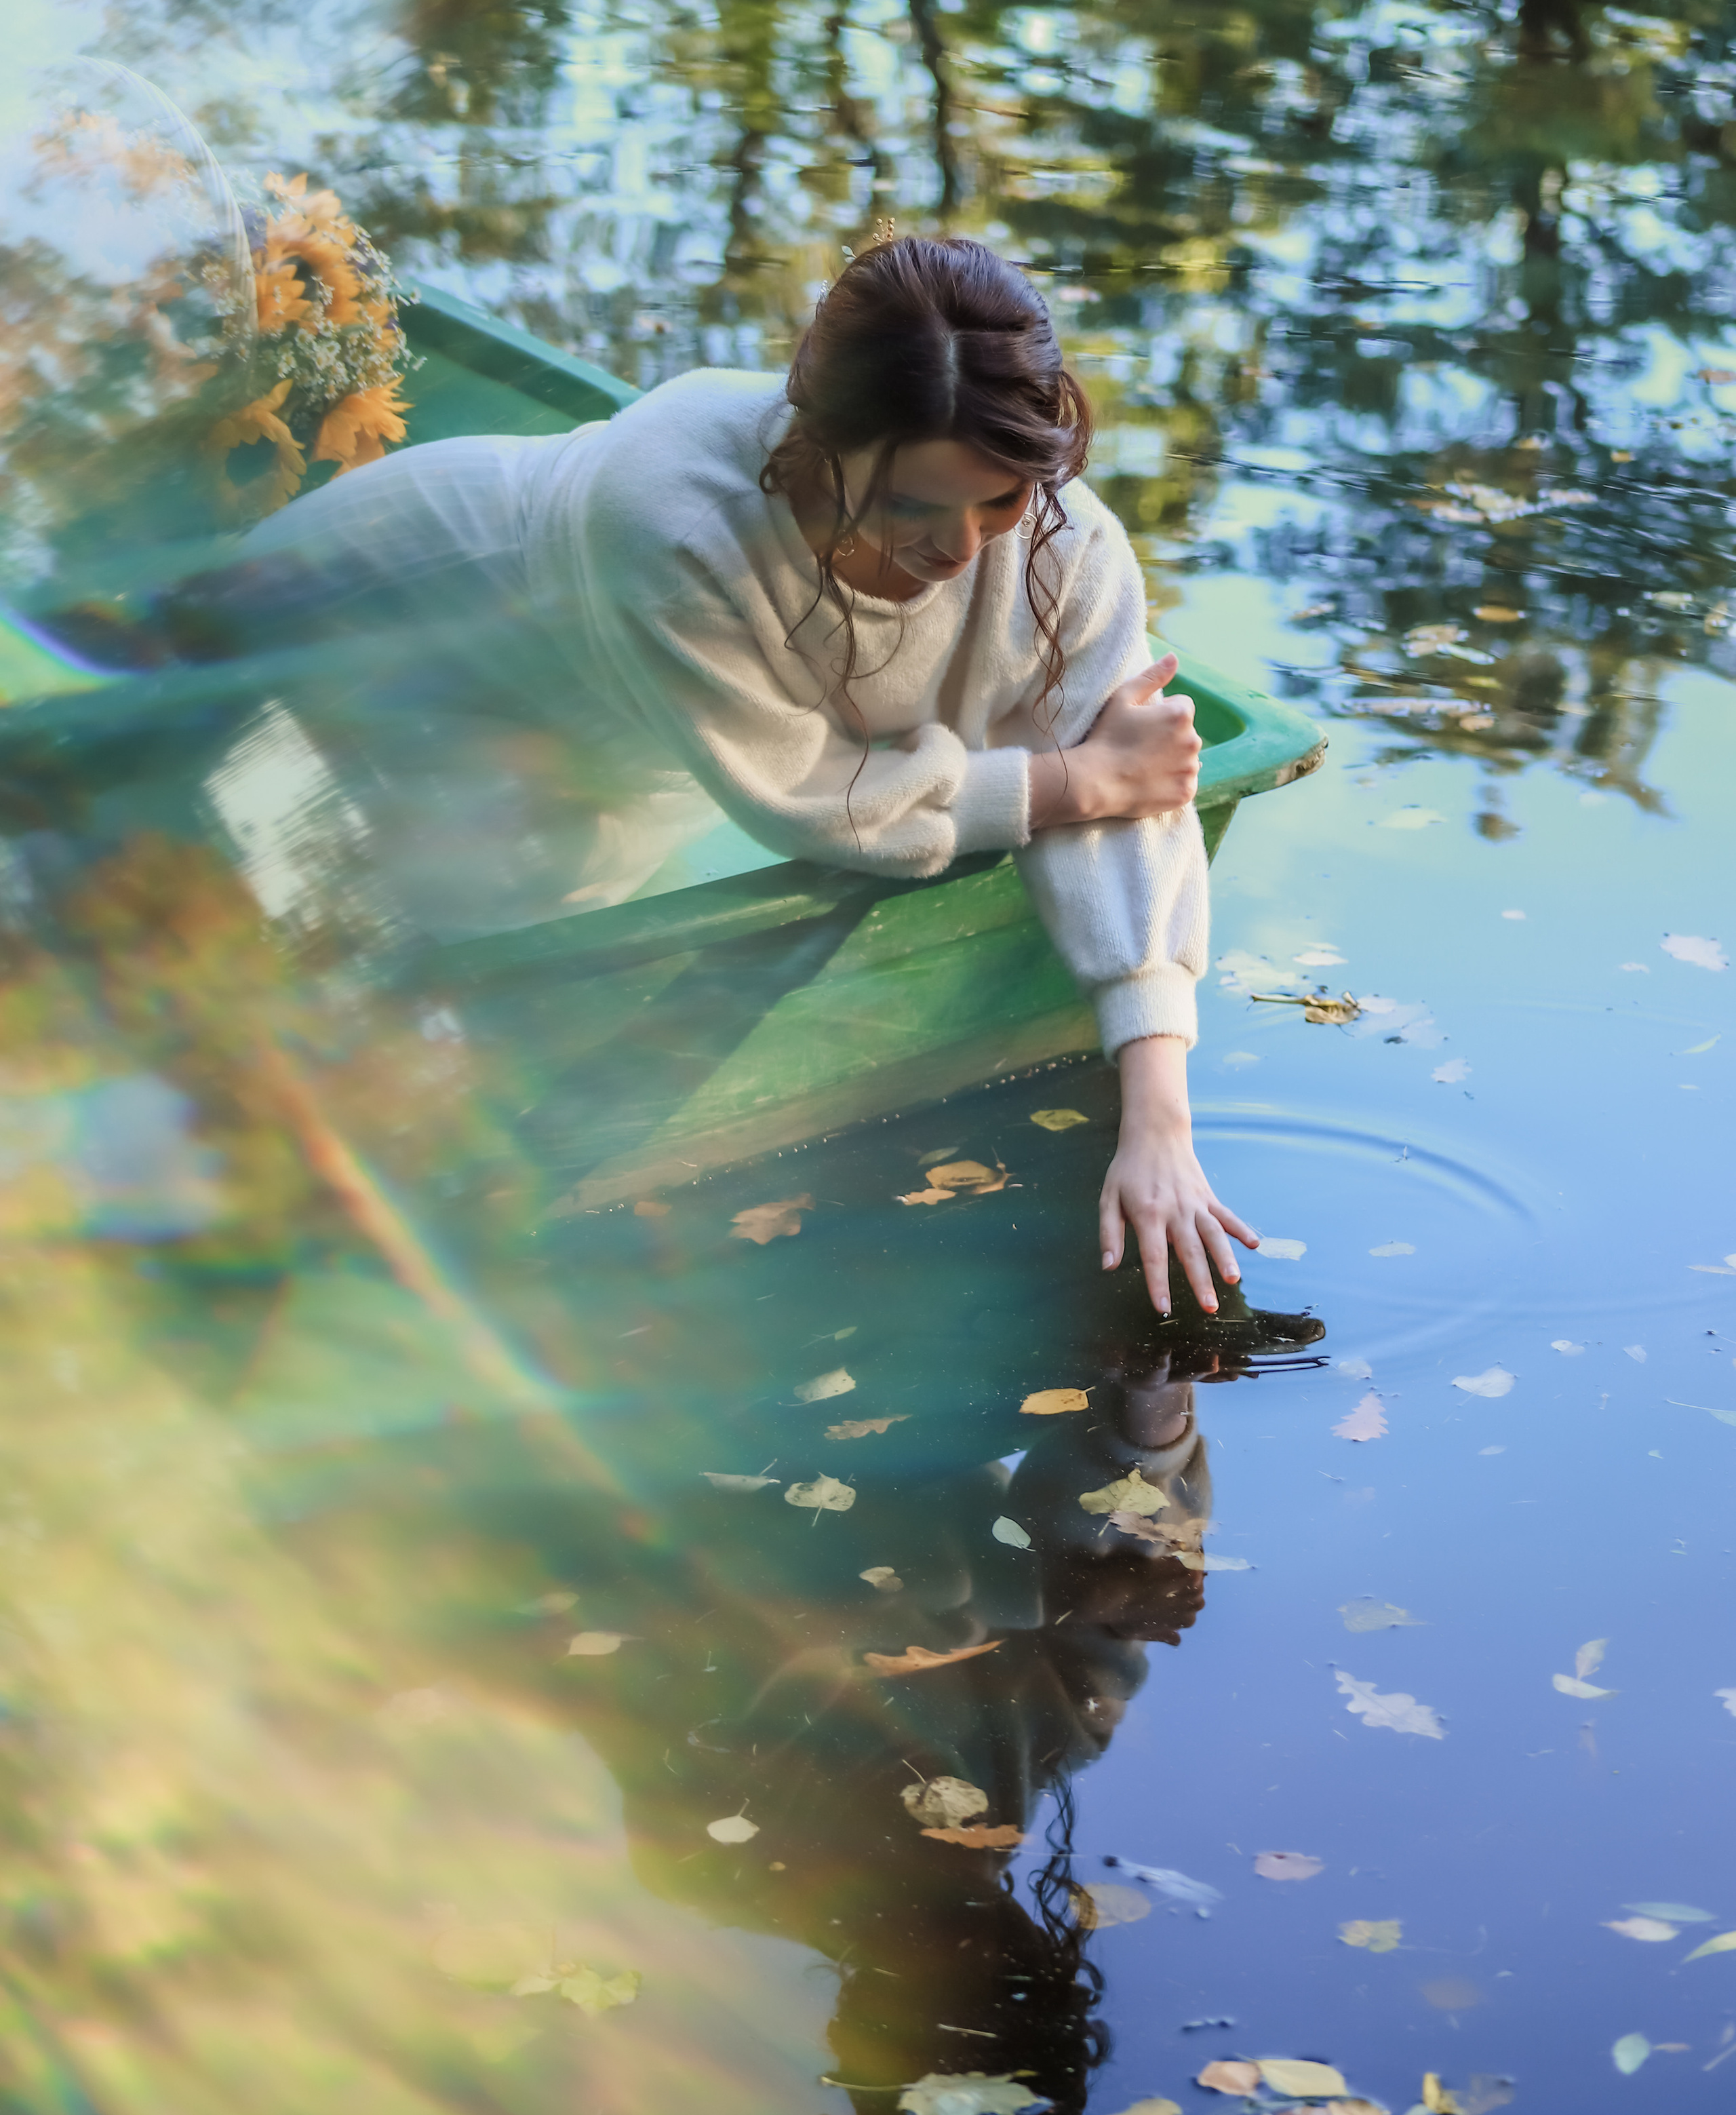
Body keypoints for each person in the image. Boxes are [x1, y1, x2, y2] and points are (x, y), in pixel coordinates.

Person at [159, 233, 1258, 1314]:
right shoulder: (671, 512)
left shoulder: (1060, 539)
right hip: (379, 622)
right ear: (817, 449)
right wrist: (1065, 783)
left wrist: (1157, 1118)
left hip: (591, 768)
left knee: (511, 905)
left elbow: (1140, 786)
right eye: (913, 505)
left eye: (998, 501)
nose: (963, 548)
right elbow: (825, 803)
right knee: (300, 936)